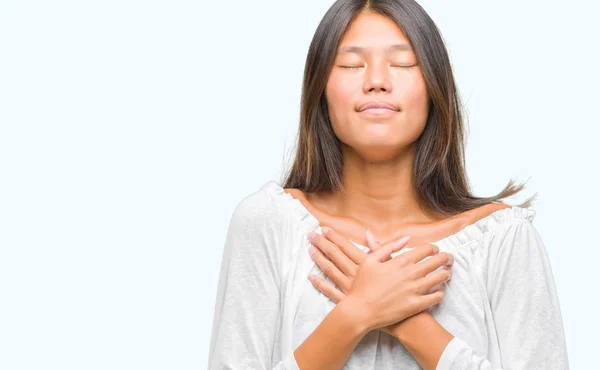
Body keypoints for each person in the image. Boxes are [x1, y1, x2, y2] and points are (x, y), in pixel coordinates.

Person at [207, 0, 569, 369]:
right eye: (351, 64)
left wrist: (408, 322)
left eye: (402, 63)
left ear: (433, 87)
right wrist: (355, 314)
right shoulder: (267, 223)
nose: (376, 81)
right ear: (320, 90)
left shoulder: (503, 240)